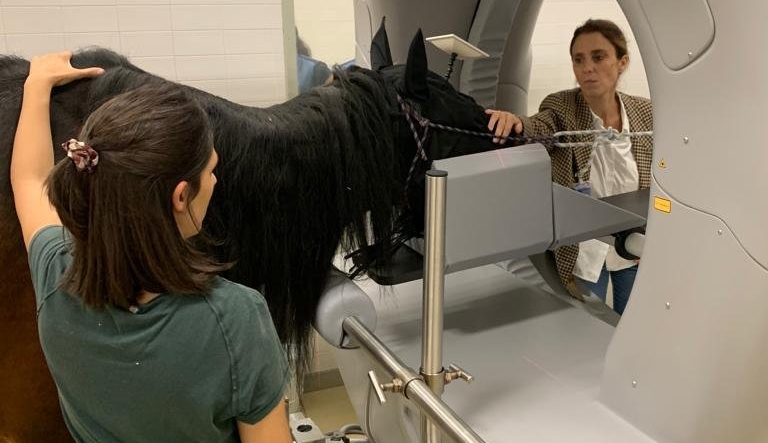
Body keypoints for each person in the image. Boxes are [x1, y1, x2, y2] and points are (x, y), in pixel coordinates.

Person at [10, 51, 292, 442]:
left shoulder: (54, 275)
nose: (215, 181)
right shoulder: (236, 319)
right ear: (181, 196)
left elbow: (28, 178)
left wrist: (36, 85)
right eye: (211, 170)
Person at [485, 19, 653, 315]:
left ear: (622, 61)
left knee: (637, 321)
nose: (587, 68)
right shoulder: (562, 106)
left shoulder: (645, 113)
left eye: (598, 57)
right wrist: (516, 124)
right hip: (587, 251)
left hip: (635, 247)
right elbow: (539, 126)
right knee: (591, 326)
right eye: (579, 59)